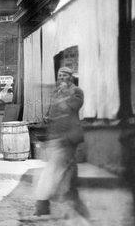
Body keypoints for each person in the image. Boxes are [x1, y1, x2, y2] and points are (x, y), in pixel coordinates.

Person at [34, 67, 88, 218]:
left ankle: (43, 205)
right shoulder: (57, 92)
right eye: (59, 75)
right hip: (57, 137)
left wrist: (64, 94)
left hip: (69, 136)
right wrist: (49, 117)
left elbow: (73, 107)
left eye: (64, 75)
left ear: (70, 77)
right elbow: (54, 112)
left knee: (53, 170)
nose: (61, 78)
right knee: (67, 168)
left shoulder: (77, 91)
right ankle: (74, 202)